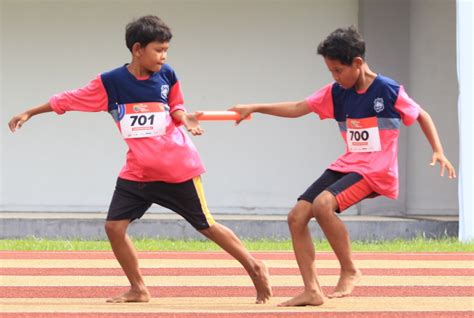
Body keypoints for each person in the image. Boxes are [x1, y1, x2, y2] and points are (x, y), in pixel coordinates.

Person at [8, 15, 271, 304]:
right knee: (114, 227)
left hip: (176, 167)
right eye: (158, 50)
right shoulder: (111, 83)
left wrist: (187, 119)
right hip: (139, 170)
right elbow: (69, 99)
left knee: (205, 225)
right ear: (137, 49)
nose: (163, 56)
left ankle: (254, 266)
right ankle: (138, 288)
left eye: (166, 50)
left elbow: (176, 106)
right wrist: (30, 112)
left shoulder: (167, 74)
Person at [230, 26, 456, 307]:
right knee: (297, 216)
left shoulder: (387, 90)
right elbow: (300, 107)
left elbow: (421, 114)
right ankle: (312, 290)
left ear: (358, 63)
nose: (335, 77)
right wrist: (255, 107)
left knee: (323, 205)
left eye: (338, 70)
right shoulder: (336, 92)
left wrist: (438, 150)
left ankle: (349, 268)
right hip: (349, 164)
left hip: (375, 170)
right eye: (331, 72)